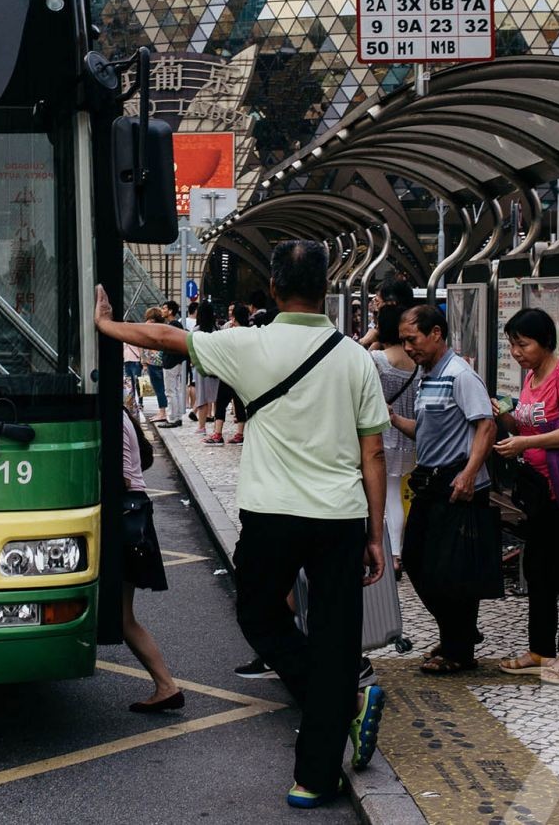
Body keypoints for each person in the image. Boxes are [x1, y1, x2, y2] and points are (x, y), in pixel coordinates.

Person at [94, 240, 389, 810]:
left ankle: (340, 713)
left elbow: (164, 338)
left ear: (275, 289)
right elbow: (372, 453)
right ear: (326, 288)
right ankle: (319, 766)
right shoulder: (355, 357)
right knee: (335, 639)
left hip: (273, 514)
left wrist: (107, 326)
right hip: (341, 517)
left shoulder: (248, 344)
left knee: (258, 615)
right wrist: (376, 533)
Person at [391, 305, 500, 674]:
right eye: (404, 340)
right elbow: (424, 431)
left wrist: (469, 473)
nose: (408, 347)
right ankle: (460, 633)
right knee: (419, 563)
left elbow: (486, 426)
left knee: (452, 572)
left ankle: (458, 648)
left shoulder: (460, 375)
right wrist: (390, 419)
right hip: (433, 483)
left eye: (413, 339)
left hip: (458, 486)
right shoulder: (428, 377)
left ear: (436, 333)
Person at [491, 308, 559, 685]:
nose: (517, 352)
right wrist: (505, 417)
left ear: (545, 342)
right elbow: (530, 421)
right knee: (538, 570)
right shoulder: (533, 376)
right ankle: (540, 650)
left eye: (523, 344)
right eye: (513, 344)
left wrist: (525, 441)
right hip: (538, 490)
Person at [118, 407, 183, 712]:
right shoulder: (121, 413)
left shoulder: (113, 418)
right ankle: (165, 686)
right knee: (122, 617)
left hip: (126, 515)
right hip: (133, 513)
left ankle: (166, 686)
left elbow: (123, 479)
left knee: (123, 617)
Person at [370, 304, 418, 574]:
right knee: (394, 493)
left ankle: (377, 546)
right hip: (408, 436)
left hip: (381, 435)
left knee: (379, 493)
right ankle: (397, 553)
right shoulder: (416, 361)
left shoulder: (377, 360)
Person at [209, 304, 249, 443]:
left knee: (221, 403)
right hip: (243, 374)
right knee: (239, 404)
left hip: (228, 373)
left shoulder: (228, 333)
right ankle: (240, 434)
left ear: (234, 317)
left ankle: (217, 434)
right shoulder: (251, 333)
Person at [157, 303, 188, 429]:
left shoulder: (173, 325)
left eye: (164, 308)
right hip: (175, 361)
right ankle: (177, 417)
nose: (162, 310)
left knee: (170, 391)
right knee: (174, 390)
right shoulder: (177, 325)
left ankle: (173, 418)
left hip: (171, 361)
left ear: (170, 311)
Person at [191, 301, 220, 438]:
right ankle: (216, 428)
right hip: (215, 369)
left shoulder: (196, 331)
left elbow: (192, 351)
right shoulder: (217, 330)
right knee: (216, 398)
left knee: (202, 397)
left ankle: (201, 427)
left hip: (201, 368)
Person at [142, 307, 169, 422]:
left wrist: (143, 361)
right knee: (165, 388)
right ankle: (164, 412)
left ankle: (162, 412)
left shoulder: (149, 327)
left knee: (159, 388)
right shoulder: (164, 327)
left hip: (152, 361)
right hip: (163, 360)